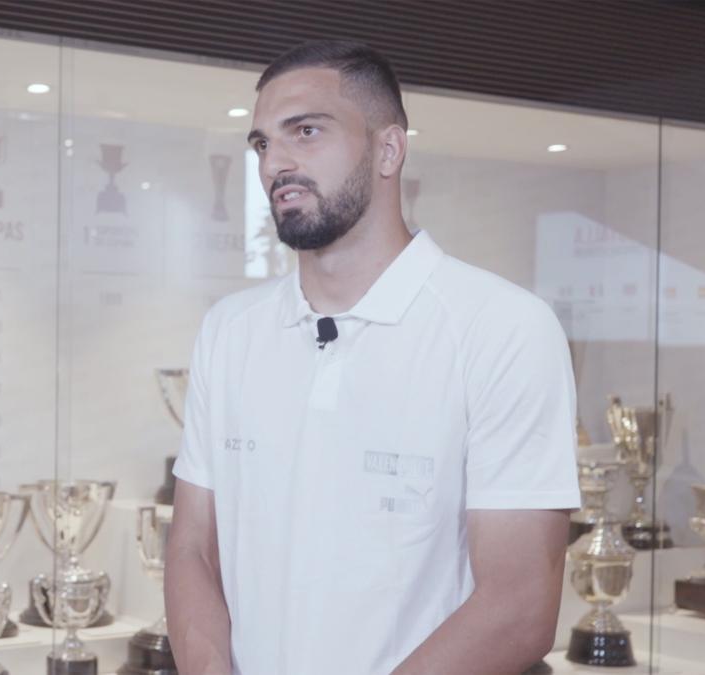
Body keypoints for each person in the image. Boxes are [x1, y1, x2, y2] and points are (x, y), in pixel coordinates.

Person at [164, 39, 580, 675]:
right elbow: (192, 547)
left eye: (306, 131)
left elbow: (520, 607)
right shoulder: (229, 331)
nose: (277, 162)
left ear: (389, 149)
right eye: (262, 143)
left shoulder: (503, 328)